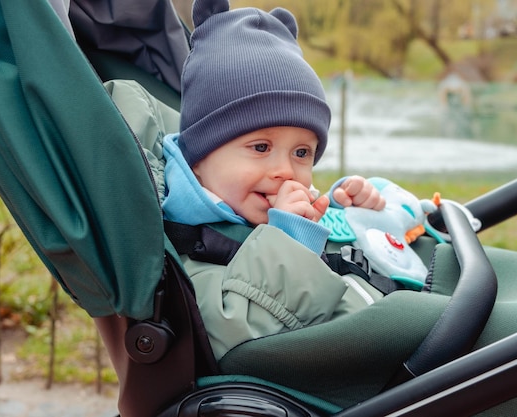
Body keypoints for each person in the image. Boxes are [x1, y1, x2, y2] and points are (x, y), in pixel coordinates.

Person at [162, 0, 393, 360]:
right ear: (198, 159)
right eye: (260, 146)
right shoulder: (192, 243)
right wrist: (290, 242)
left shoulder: (255, 201)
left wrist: (343, 208)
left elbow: (326, 231)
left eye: (302, 153)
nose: (285, 170)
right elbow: (231, 329)